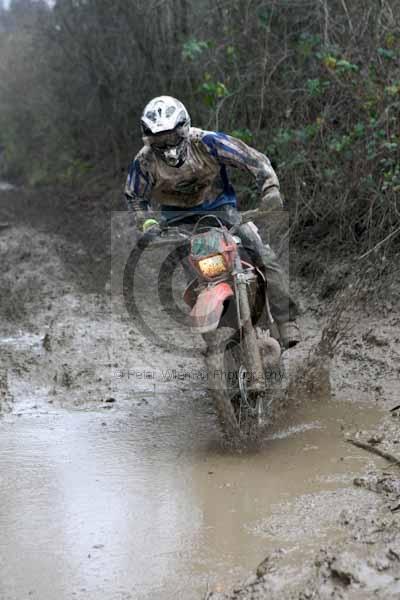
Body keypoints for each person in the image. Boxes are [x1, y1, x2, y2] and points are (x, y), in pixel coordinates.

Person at [124, 96, 300, 348]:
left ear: (184, 129)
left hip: (223, 213)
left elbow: (253, 159)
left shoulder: (207, 143)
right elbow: (134, 196)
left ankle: (286, 321)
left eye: (172, 137)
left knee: (262, 254)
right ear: (149, 139)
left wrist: (270, 189)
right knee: (198, 280)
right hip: (179, 224)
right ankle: (216, 338)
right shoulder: (144, 161)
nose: (167, 145)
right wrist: (148, 223)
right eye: (159, 140)